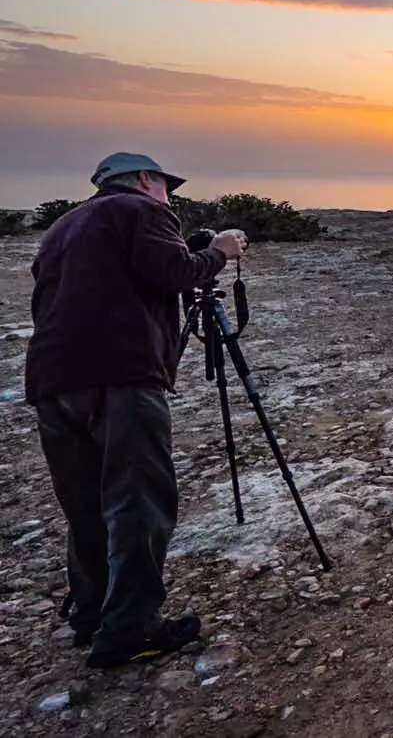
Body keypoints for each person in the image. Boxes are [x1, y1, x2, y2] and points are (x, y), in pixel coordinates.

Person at [25, 153, 247, 668]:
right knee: (137, 501)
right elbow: (176, 272)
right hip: (119, 375)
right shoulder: (139, 210)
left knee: (85, 505)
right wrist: (218, 252)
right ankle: (129, 627)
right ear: (146, 180)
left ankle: (91, 612)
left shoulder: (61, 227)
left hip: (53, 380)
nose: (168, 195)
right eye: (165, 186)